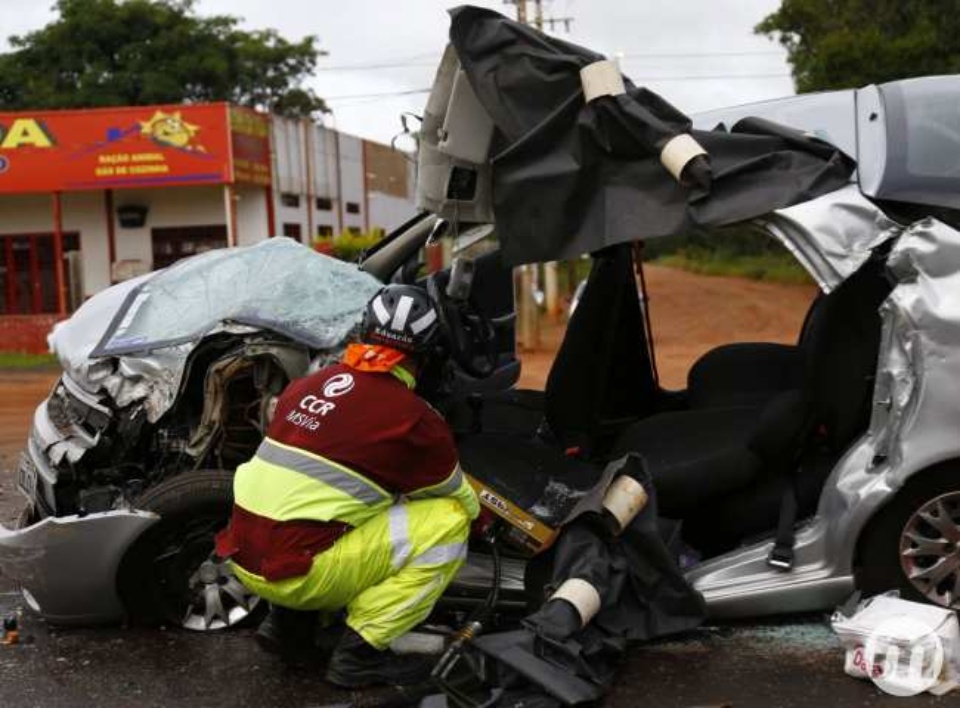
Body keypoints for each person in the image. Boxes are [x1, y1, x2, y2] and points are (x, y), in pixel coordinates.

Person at [215, 284, 479, 688]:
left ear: (362, 333)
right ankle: (359, 655)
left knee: (329, 503)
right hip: (299, 576)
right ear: (427, 354)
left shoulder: (306, 385)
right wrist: (482, 521)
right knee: (450, 520)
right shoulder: (415, 418)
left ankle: (287, 626)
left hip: (244, 561)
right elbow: (457, 497)